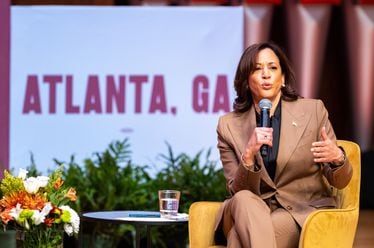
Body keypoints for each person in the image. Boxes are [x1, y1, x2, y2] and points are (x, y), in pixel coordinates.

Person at [214, 42, 353, 248]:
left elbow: (340, 182)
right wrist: (249, 155)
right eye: (257, 69)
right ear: (245, 79)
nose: (266, 75)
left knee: (237, 238)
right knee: (243, 198)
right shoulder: (229, 125)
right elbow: (237, 190)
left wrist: (338, 159)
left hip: (298, 210)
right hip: (245, 209)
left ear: (284, 77)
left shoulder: (313, 111)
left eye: (272, 67)